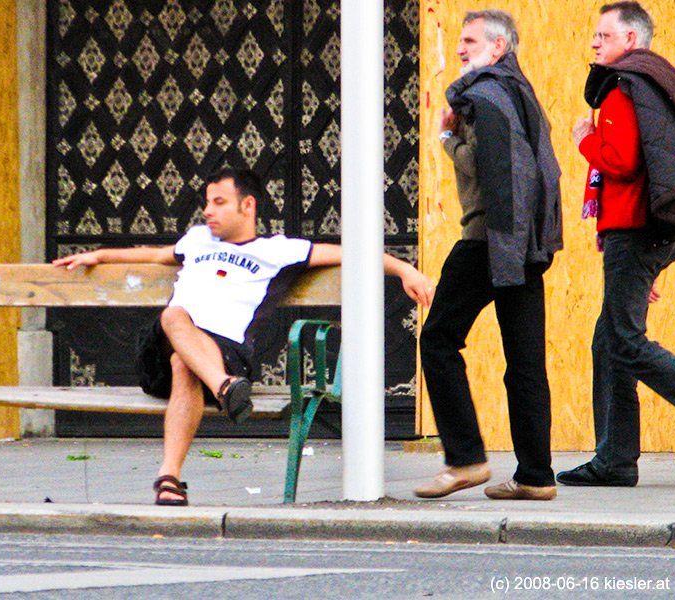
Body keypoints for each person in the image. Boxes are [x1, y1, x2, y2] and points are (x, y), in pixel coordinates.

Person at [54, 167, 434, 506]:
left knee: (183, 363)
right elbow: (155, 256)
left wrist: (405, 271)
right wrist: (99, 255)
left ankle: (168, 479)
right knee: (174, 316)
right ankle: (224, 388)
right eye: (207, 203)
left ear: (247, 206)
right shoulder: (197, 240)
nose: (208, 211)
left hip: (226, 353)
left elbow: (353, 253)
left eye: (219, 202)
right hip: (165, 352)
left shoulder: (279, 250)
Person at [416, 10, 563, 502]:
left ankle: (465, 459)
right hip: (526, 242)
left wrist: (446, 137)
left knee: (437, 339)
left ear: (497, 48)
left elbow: (486, 168)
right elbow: (543, 170)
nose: (460, 49)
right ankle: (537, 476)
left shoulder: (481, 95)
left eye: (469, 40)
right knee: (525, 362)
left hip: (488, 239)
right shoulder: (520, 92)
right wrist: (533, 244)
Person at [557, 2, 675, 487]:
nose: (593, 43)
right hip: (645, 229)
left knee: (624, 341)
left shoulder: (625, 88)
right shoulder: (658, 82)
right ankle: (615, 459)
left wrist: (585, 139)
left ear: (630, 40)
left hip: (635, 228)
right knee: (608, 341)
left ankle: (614, 458)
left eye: (603, 36)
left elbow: (623, 162)